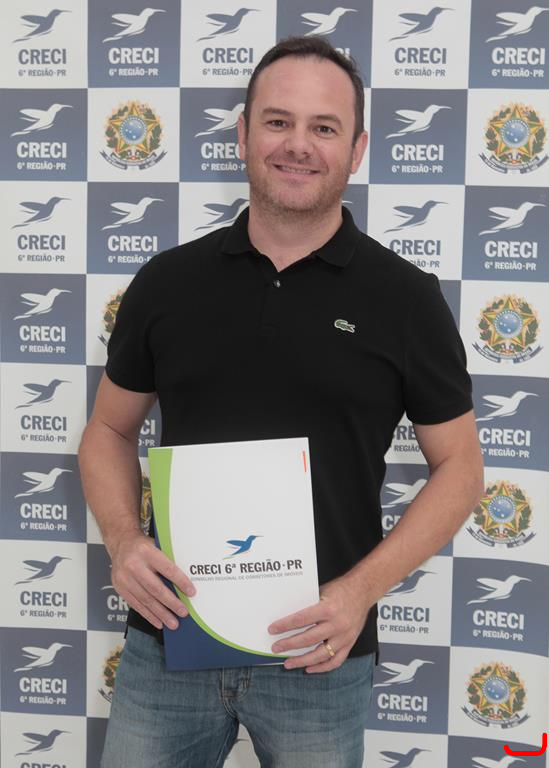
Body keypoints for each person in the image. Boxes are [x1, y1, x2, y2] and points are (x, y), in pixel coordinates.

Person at [79, 36, 483, 768]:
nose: (298, 144)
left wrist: (358, 593)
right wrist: (123, 541)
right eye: (277, 121)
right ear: (242, 135)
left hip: (318, 654)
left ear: (356, 150)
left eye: (323, 127)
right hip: (170, 640)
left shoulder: (406, 300)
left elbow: (460, 468)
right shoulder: (167, 283)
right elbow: (108, 429)